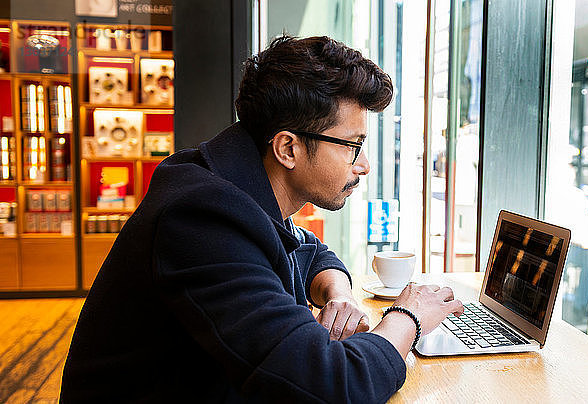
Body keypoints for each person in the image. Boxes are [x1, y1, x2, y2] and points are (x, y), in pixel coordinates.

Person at [60, 35, 463, 403]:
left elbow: (307, 250)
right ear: (288, 148)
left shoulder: (236, 185)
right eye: (352, 147)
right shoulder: (201, 218)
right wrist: (408, 316)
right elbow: (328, 385)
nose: (365, 166)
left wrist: (338, 293)